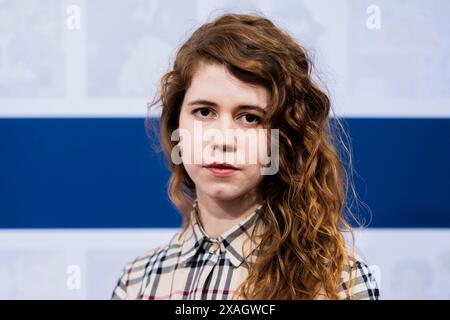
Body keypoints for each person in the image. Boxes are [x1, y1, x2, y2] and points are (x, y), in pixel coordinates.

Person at [111, 13, 380, 300]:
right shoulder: (138, 282)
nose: (223, 139)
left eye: (250, 118)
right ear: (177, 126)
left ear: (283, 140)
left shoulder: (339, 283)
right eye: (204, 112)